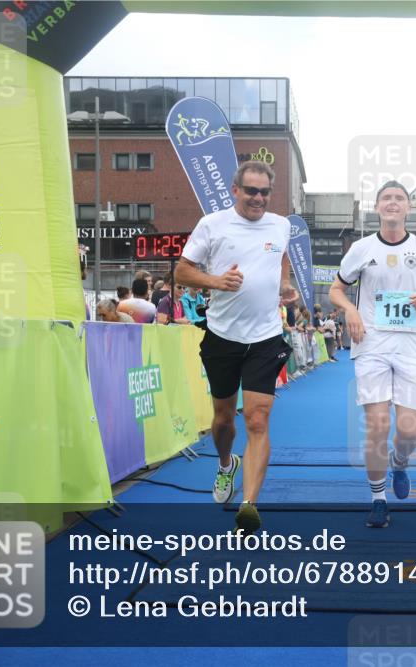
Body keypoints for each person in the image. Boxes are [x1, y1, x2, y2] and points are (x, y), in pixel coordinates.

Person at [174, 160, 298, 535]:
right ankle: (226, 463)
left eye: (264, 192)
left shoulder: (281, 225)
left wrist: (285, 284)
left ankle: (249, 505)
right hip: (223, 336)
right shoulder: (213, 224)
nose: (258, 198)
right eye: (251, 191)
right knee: (224, 419)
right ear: (236, 190)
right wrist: (215, 281)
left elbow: (281, 256)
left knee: (257, 418)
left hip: (266, 336)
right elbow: (181, 271)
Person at [328, 180, 416, 528]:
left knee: (409, 432)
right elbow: (337, 289)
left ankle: (400, 462)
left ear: (408, 208)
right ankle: (378, 499)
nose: (393, 203)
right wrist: (350, 310)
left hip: (413, 346)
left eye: (399, 199)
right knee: (377, 424)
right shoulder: (361, 249)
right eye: (386, 198)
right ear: (377, 207)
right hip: (372, 344)